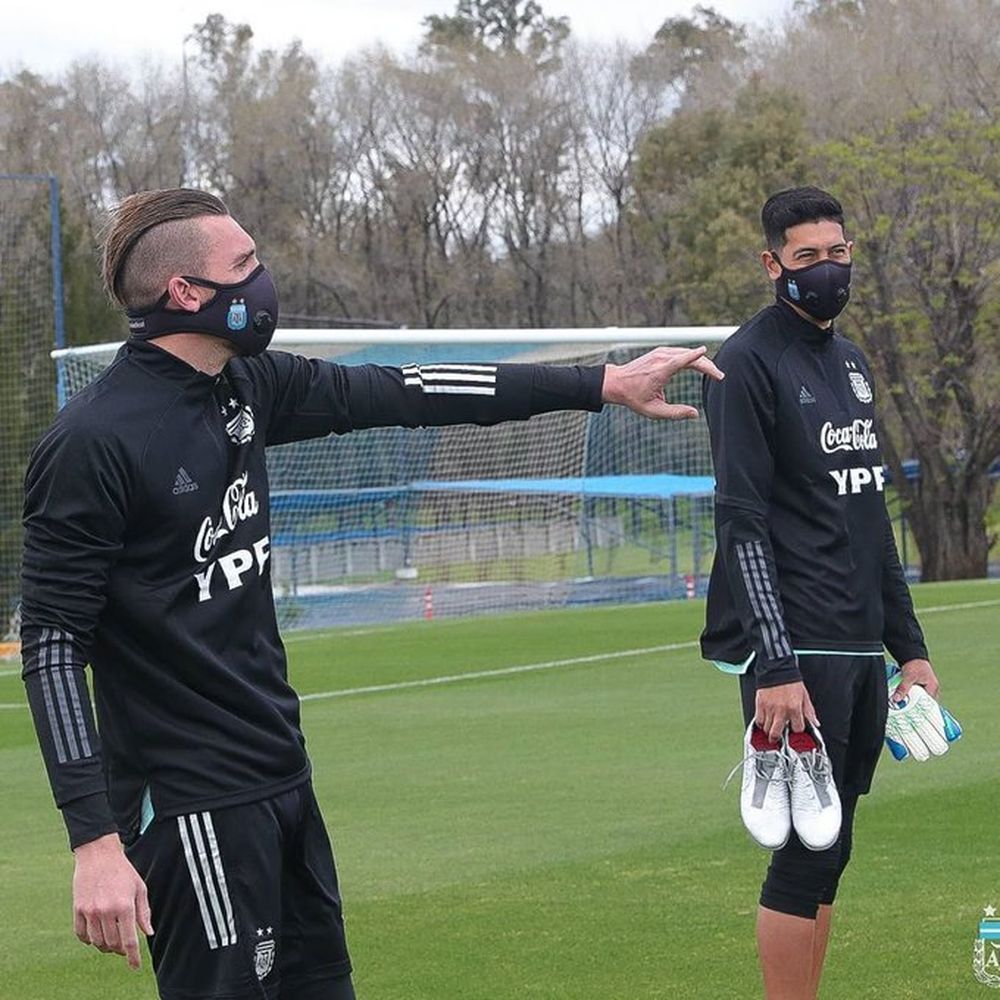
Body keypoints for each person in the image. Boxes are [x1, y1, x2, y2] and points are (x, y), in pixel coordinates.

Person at [20, 187, 722, 1000]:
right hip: (193, 807)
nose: (264, 280)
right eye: (245, 265)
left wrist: (598, 383)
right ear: (186, 294)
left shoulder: (249, 387)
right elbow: (52, 646)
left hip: (282, 776)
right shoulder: (92, 443)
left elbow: (410, 389)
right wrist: (94, 843)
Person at [700, 186, 940, 1000]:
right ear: (773, 264)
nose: (829, 269)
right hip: (796, 651)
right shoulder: (743, 364)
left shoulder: (852, 363)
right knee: (802, 854)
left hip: (859, 641)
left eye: (839, 253)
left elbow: (870, 516)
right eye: (808, 257)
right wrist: (774, 665)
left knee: (834, 846)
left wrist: (911, 648)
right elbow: (740, 523)